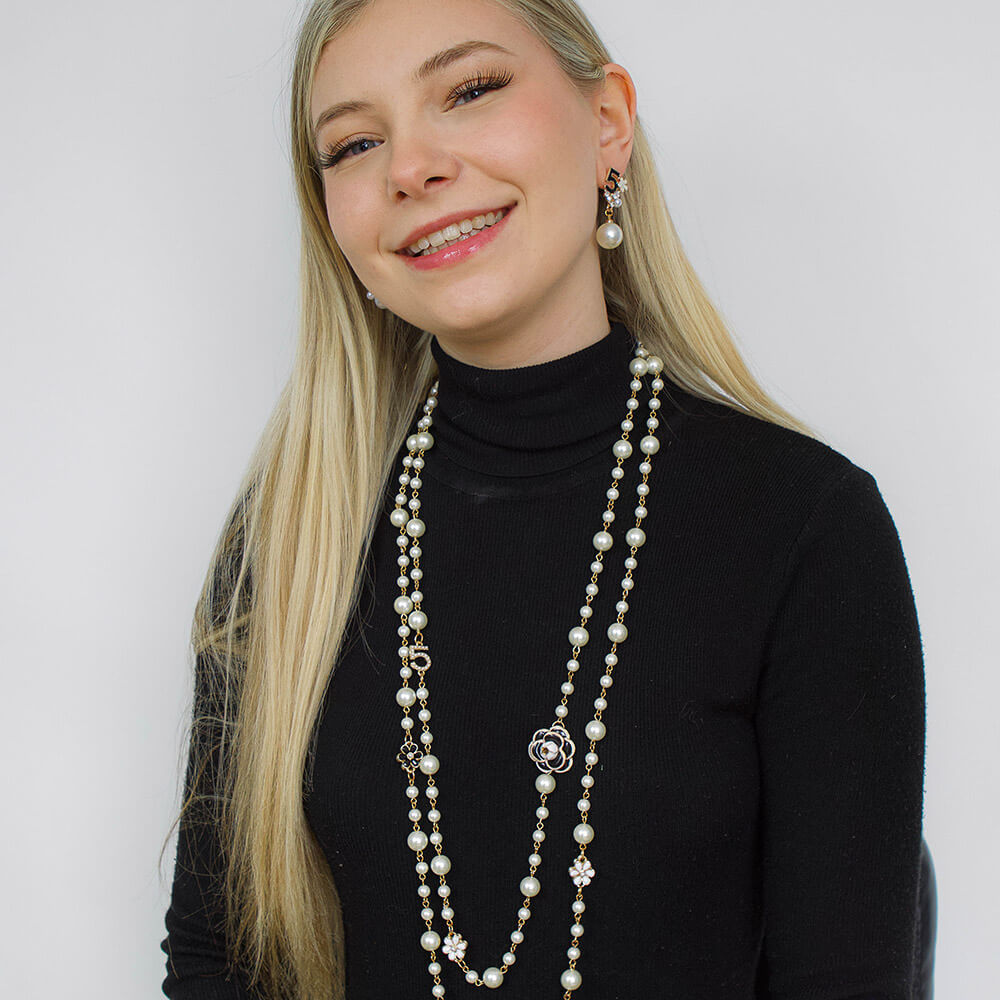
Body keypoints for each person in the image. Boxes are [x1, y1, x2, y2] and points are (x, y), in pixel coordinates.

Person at [159, 0, 927, 997]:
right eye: (353, 143)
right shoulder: (291, 536)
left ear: (606, 122)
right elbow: (218, 962)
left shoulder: (806, 530)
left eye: (469, 90)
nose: (411, 166)